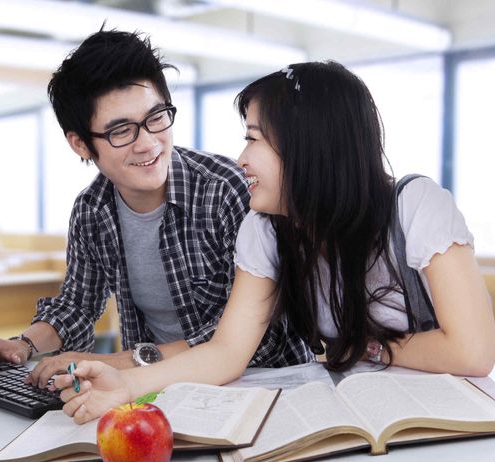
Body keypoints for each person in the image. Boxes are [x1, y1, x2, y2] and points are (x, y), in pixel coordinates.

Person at [55, 60, 495, 423]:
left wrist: (364, 347)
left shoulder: (415, 207)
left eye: (253, 139)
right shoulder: (266, 228)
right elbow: (227, 352)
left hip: (450, 420)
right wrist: (127, 385)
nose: (241, 159)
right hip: (356, 408)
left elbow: (473, 351)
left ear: (307, 148)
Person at [0, 29, 313, 387]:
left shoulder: (226, 190)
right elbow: (76, 306)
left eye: (156, 118)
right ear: (80, 144)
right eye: (121, 131)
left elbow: (257, 338)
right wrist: (20, 346)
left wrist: (121, 363)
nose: (148, 143)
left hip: (267, 385)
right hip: (157, 388)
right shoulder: (92, 210)